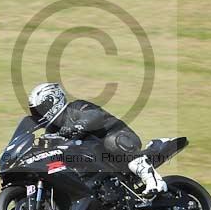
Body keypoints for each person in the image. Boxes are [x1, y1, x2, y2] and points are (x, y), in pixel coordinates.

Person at [27, 82, 167, 196]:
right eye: (35, 112)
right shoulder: (51, 130)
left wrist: (79, 125)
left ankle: (153, 180)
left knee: (112, 141)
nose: (39, 114)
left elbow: (95, 115)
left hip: (119, 140)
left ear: (52, 101)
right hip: (94, 162)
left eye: (40, 109)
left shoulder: (75, 107)